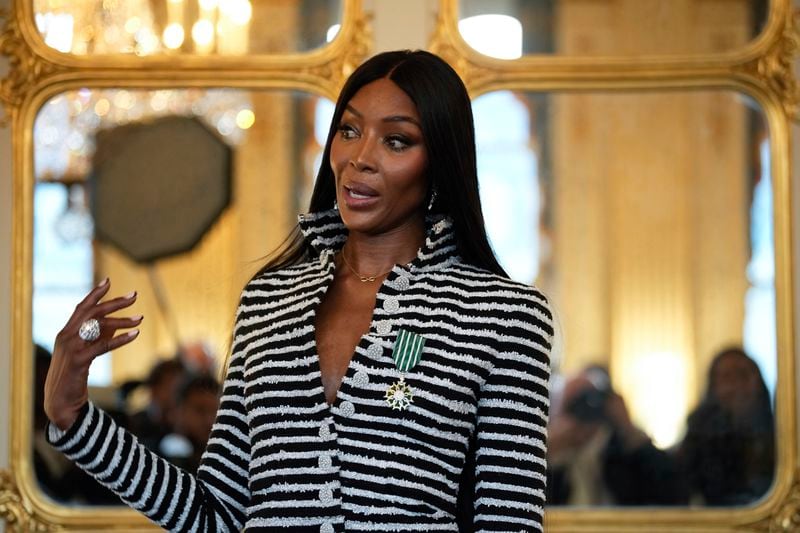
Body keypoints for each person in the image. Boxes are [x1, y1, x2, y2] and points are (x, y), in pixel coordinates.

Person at [43, 50, 554, 532]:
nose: (360, 159)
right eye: (349, 131)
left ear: (441, 161)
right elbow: (215, 515)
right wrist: (78, 421)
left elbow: (509, 524)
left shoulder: (504, 316)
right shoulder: (269, 300)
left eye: (396, 141)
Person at [546, 365, 685, 506]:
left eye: (589, 398)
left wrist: (628, 429)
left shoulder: (621, 447)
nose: (584, 409)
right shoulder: (555, 452)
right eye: (575, 402)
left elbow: (670, 491)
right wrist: (549, 453)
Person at [677, 347, 775, 506]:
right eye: (727, 377)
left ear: (758, 381)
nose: (736, 385)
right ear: (714, 387)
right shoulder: (700, 434)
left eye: (743, 375)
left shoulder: (781, 433)